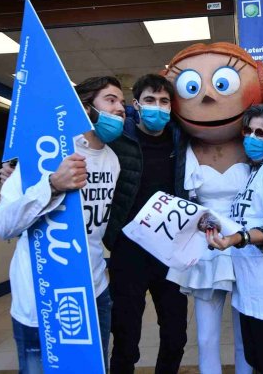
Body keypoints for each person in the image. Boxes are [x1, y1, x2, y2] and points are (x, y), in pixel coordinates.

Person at [0, 76, 126, 373]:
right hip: (39, 299)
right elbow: (3, 225)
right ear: (85, 107)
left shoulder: (113, 160)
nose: (121, 108)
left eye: (122, 101)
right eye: (111, 99)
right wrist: (52, 184)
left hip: (93, 293)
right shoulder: (42, 152)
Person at [162, 42, 263, 374]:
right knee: (207, 333)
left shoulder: (257, 144)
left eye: (222, 83)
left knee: (246, 332)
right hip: (206, 245)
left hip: (248, 243)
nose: (208, 96)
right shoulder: (182, 147)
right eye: (193, 87)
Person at [206, 104, 263, 374]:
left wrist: (236, 238)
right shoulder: (253, 172)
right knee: (255, 358)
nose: (253, 138)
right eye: (248, 131)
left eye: (262, 133)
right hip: (248, 286)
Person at [104, 74, 188, 374]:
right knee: (126, 337)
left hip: (170, 251)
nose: (157, 107)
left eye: (164, 101)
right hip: (128, 252)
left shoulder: (181, 136)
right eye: (150, 100)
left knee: (176, 335)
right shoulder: (118, 137)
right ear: (136, 105)